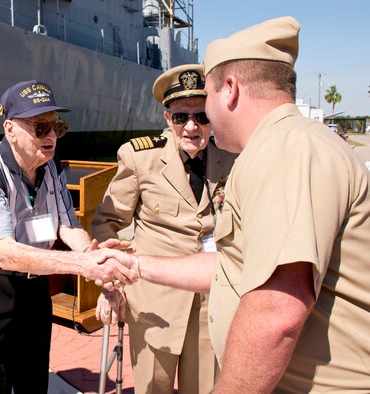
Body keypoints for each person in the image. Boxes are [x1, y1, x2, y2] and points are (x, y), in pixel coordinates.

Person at [101, 16, 370, 392]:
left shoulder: (283, 151)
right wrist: (133, 266)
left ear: (229, 90)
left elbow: (277, 310)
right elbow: (233, 263)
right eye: (181, 116)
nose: (196, 123)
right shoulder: (285, 145)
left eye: (204, 105)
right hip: (162, 310)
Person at [0, 79, 138, 393]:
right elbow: (7, 253)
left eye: (56, 126)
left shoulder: (49, 166)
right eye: (40, 127)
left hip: (35, 281)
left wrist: (94, 257)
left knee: (34, 374)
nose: (51, 136)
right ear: (10, 128)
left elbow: (67, 226)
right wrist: (83, 266)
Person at [91, 64, 236, 393]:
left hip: (211, 304)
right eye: (180, 116)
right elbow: (106, 223)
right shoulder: (142, 158)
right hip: (155, 306)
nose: (191, 127)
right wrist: (111, 284)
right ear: (167, 118)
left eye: (201, 116)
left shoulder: (232, 159)